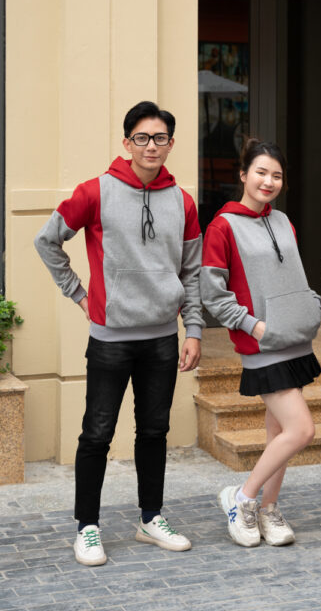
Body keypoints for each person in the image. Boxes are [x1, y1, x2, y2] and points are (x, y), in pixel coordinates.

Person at [34, 101, 203, 566]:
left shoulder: (183, 202)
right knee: (97, 432)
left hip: (162, 338)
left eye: (160, 138)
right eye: (142, 138)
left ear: (171, 143)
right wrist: (80, 294)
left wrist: (193, 329)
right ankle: (87, 527)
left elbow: (192, 272)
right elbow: (47, 240)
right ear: (127, 142)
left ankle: (151, 518)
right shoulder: (95, 192)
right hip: (110, 338)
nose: (151, 146)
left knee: (154, 430)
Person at [201, 138, 321, 547]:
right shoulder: (222, 226)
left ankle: (268, 507)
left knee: (279, 436)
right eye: (261, 173)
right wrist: (253, 327)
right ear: (243, 175)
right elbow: (213, 293)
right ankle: (242, 498)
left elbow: (296, 277)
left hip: (296, 342)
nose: (268, 182)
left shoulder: (283, 221)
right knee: (302, 429)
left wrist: (311, 306)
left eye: (277, 175)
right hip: (263, 345)